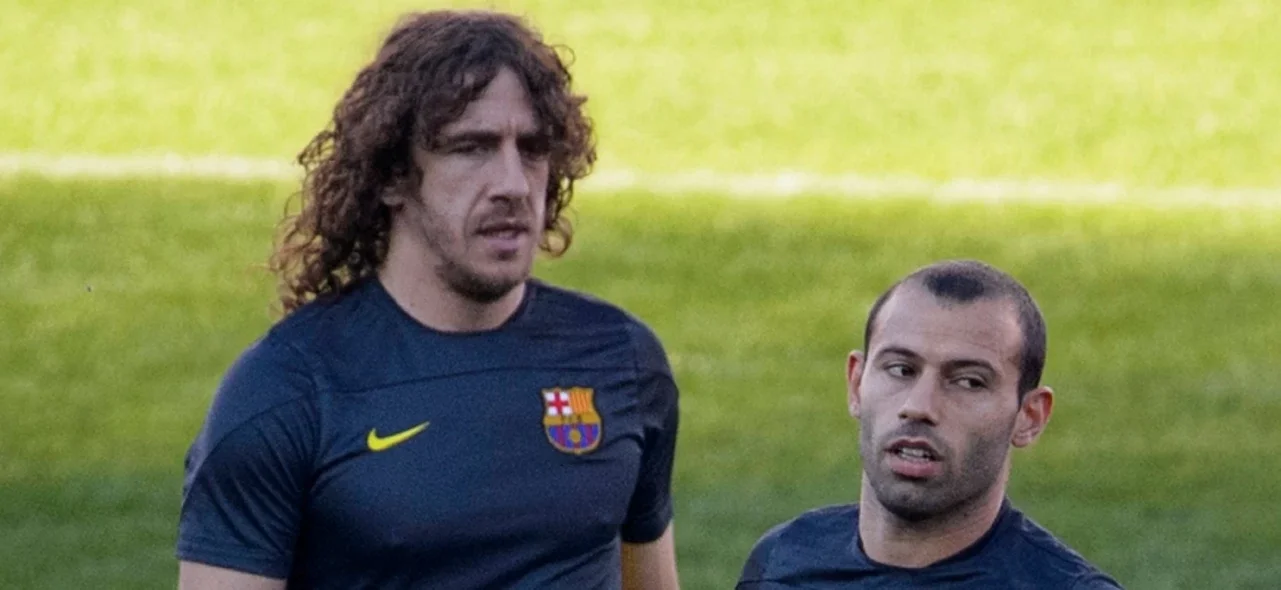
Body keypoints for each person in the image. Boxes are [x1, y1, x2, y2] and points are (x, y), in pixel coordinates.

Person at [177, 10, 680, 589]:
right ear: (393, 175)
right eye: (472, 148)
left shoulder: (622, 362)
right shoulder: (287, 393)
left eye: (533, 149)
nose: (514, 184)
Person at [737, 260, 1121, 589]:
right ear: (856, 383)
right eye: (901, 370)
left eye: (969, 381)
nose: (919, 407)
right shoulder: (782, 564)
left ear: (1029, 417)